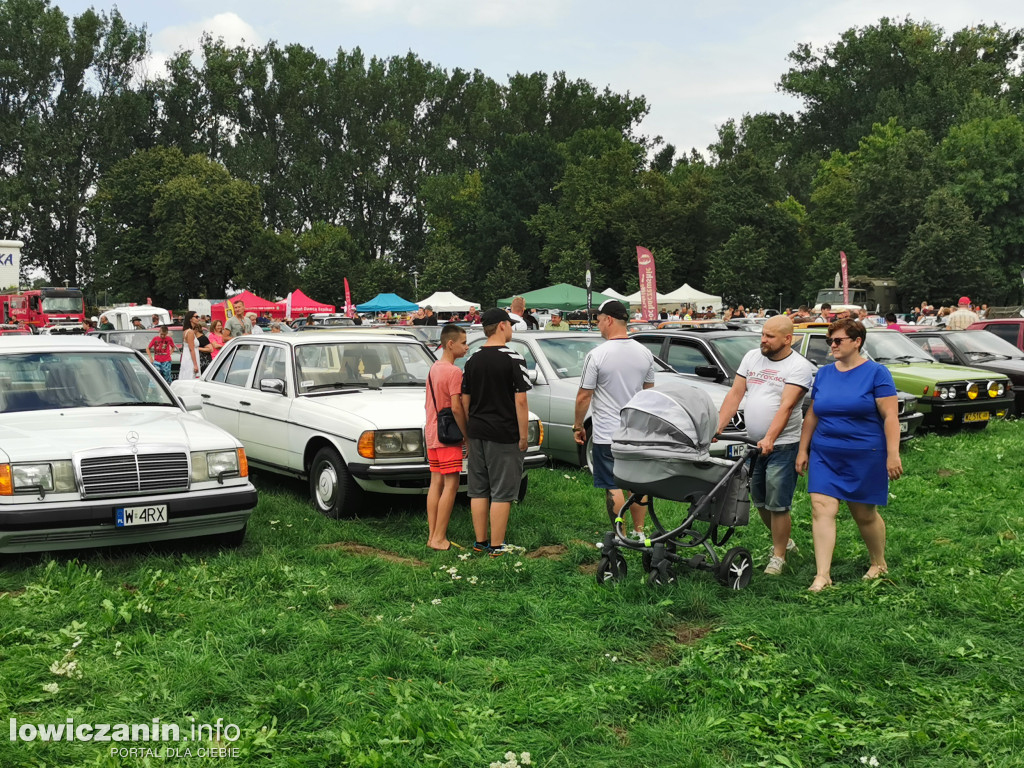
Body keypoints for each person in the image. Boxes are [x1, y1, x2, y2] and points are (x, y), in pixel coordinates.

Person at [796, 318, 902, 592]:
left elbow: (890, 416)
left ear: (857, 342)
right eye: (830, 341)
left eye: (838, 340)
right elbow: (813, 414)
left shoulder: (878, 373)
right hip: (825, 453)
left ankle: (878, 562)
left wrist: (893, 454)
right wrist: (803, 449)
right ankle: (823, 575)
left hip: (865, 454)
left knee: (864, 514)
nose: (832, 345)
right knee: (821, 508)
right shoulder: (825, 373)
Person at [716, 315, 815, 575]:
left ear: (787, 339)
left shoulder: (799, 366)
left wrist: (770, 437)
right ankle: (784, 540)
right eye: (763, 334)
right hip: (754, 446)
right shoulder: (751, 357)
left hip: (783, 445)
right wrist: (716, 427)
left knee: (777, 502)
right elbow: (735, 393)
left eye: (770, 336)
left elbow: (787, 406)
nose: (763, 340)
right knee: (759, 499)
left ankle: (779, 556)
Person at [574, 299, 656, 540]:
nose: (598, 326)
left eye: (599, 321)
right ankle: (640, 532)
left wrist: (577, 426)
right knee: (638, 484)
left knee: (613, 484)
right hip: (637, 432)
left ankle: (620, 536)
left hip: (607, 433)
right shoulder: (645, 352)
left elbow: (583, 396)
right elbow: (649, 393)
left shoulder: (597, 354)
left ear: (608, 320)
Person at [461, 308, 531, 557]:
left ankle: (480, 542)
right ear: (502, 326)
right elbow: (521, 401)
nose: (511, 329)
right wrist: (523, 436)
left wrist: (469, 431)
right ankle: (497, 546)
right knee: (502, 491)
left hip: (477, 431)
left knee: (478, 488)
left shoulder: (471, 359)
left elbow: (465, 399)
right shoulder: (514, 358)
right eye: (510, 324)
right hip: (503, 432)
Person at [425, 324, 470, 550]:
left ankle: (433, 535)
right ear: (450, 344)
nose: (467, 347)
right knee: (451, 484)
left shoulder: (434, 367)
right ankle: (440, 538)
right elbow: (456, 407)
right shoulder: (454, 372)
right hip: (448, 435)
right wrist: (466, 435)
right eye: (463, 343)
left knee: (436, 482)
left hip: (432, 431)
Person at [179, 311, 202, 380]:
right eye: (196, 317)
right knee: (190, 377)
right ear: (190, 319)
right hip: (190, 360)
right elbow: (191, 349)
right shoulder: (190, 332)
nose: (198, 319)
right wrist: (195, 365)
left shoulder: (187, 331)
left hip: (188, 358)